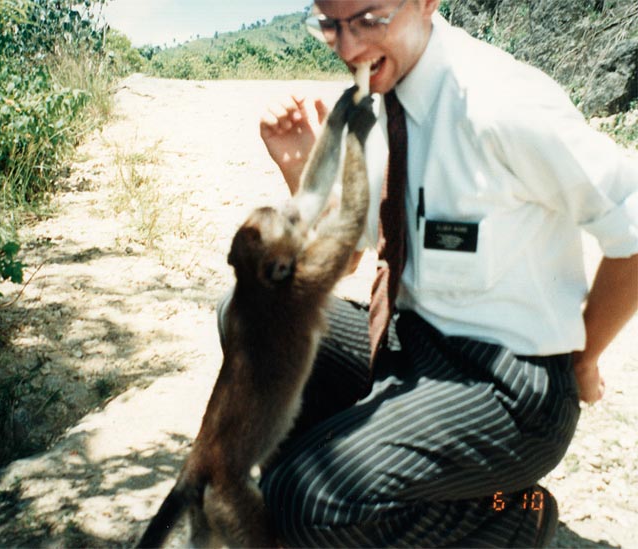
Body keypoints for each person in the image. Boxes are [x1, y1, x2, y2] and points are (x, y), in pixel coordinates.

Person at [218, 0, 638, 546]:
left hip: (506, 386)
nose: (348, 48)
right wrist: (301, 173)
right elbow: (345, 258)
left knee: (308, 501)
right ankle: (356, 493)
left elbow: (632, 224)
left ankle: (510, 519)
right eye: (329, 24)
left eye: (368, 20)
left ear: (425, 4)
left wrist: (585, 355)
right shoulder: (378, 105)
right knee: (248, 317)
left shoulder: (498, 102)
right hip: (408, 349)